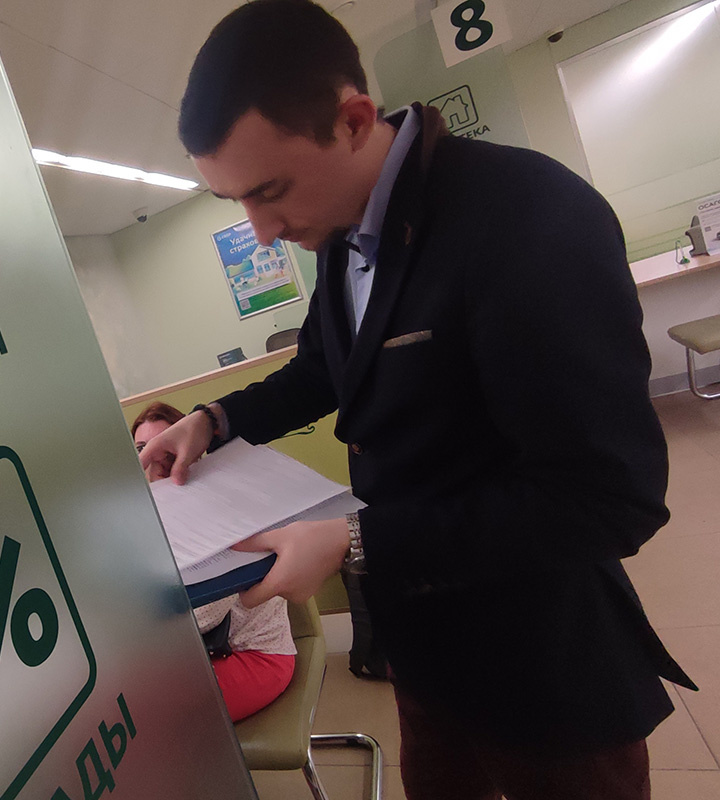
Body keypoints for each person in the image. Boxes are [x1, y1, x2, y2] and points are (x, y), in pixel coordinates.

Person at [139, 2, 697, 798]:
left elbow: (611, 498)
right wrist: (213, 420)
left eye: (270, 191)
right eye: (239, 204)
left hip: (546, 667)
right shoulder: (339, 231)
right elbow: (325, 368)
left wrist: (355, 542)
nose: (261, 232)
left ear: (353, 121)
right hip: (427, 655)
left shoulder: (527, 217)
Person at [132, 401, 295, 722]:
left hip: (253, 655)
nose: (156, 459)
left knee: (144, 718)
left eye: (165, 445)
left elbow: (205, 615)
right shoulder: (152, 514)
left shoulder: (219, 508)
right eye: (143, 448)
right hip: (201, 655)